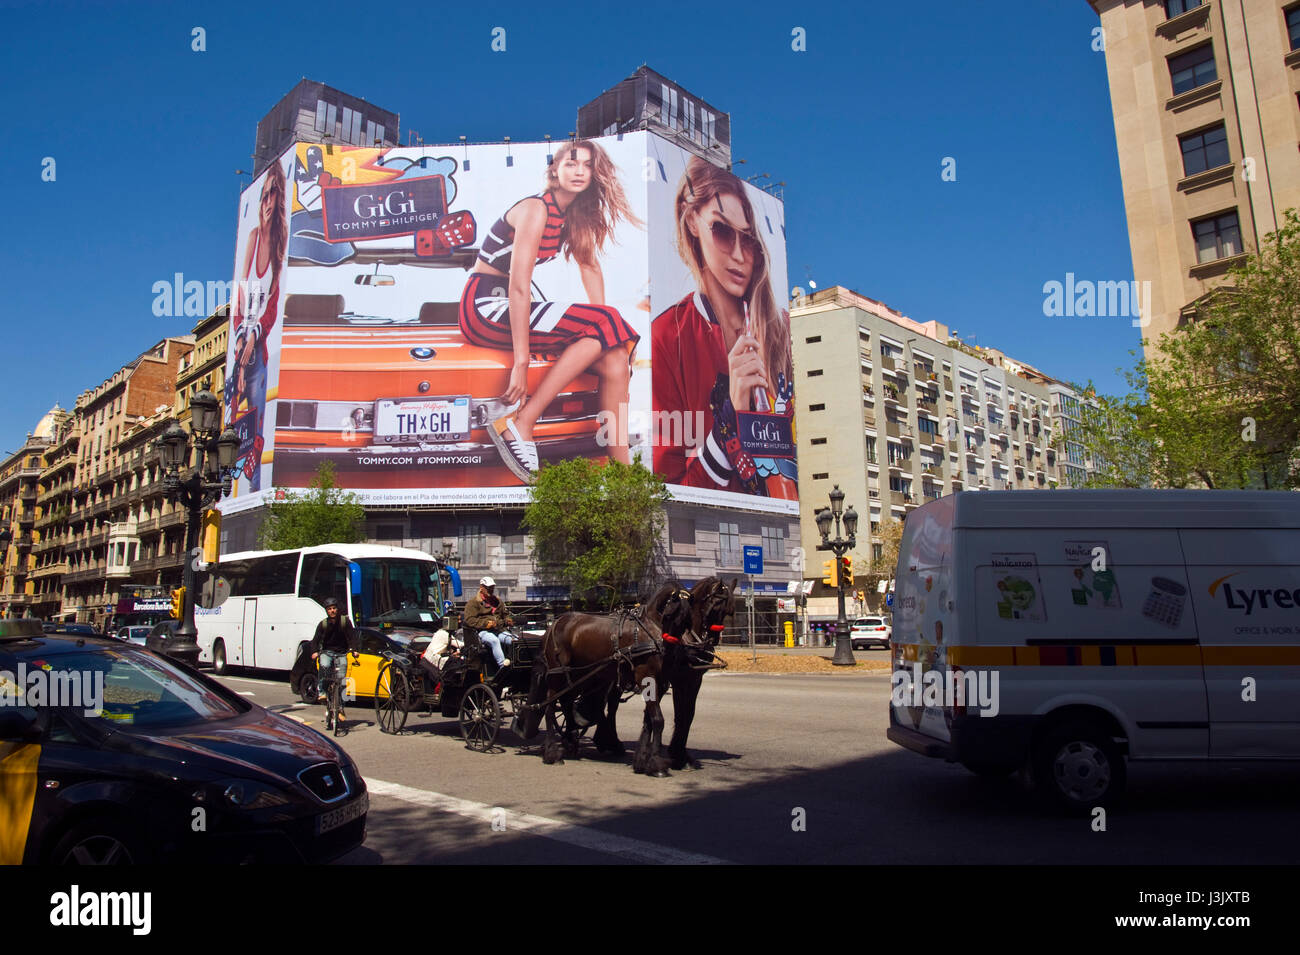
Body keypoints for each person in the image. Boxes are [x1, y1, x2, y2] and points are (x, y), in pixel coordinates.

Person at [459, 139, 643, 480]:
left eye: (587, 166)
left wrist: (605, 339)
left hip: (508, 303)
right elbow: (518, 285)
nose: (579, 171)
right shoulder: (536, 209)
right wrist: (520, 362)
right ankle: (521, 422)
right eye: (572, 163)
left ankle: (623, 476)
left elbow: (589, 266)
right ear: (554, 169)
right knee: (609, 323)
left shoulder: (572, 217)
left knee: (616, 358)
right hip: (484, 304)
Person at [651, 157, 796, 499]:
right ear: (691, 222)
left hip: (781, 527)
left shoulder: (780, 331)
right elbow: (668, 499)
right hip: (708, 537)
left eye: (749, 239)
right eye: (722, 230)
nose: (739, 254)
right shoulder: (668, 336)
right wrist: (728, 417)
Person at [229, 160, 289, 493]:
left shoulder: (281, 251)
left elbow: (271, 311)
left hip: (259, 355)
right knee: (234, 436)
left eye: (272, 196)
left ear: (279, 202)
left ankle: (254, 495)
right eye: (264, 196)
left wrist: (254, 338)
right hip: (241, 351)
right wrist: (240, 342)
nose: (266, 204)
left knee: (256, 431)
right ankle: (230, 495)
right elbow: (239, 299)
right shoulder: (252, 238)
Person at [308, 597, 359, 718]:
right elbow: (315, 640)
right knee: (324, 666)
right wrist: (314, 652)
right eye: (329, 609)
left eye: (334, 608)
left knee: (342, 681)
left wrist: (354, 649)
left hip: (342, 653)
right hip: (327, 652)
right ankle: (322, 693)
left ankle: (340, 708)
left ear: (337, 609)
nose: (332, 611)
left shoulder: (345, 622)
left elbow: (352, 637)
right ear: (326, 611)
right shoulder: (323, 624)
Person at [462, 576, 515, 669]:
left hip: (499, 630)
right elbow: (469, 620)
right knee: (494, 640)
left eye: (492, 588)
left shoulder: (498, 601)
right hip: (481, 632)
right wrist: (486, 623)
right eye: (488, 588)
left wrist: (508, 620)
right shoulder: (473, 603)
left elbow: (505, 614)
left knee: (513, 640)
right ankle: (503, 667)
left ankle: (515, 664)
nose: (490, 590)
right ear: (481, 587)